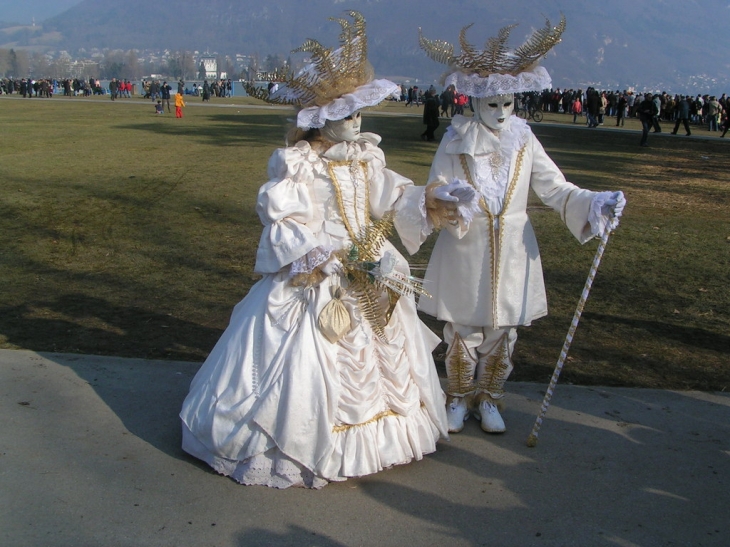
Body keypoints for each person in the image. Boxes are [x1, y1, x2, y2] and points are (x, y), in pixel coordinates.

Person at [181, 11, 464, 489]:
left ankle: (383, 436)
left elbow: (392, 199)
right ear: (320, 121)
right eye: (346, 115)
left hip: (369, 262)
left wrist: (433, 197)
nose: (356, 122)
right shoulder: (299, 166)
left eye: (359, 113)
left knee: (388, 349)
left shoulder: (365, 157)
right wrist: (320, 256)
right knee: (310, 355)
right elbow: (285, 219)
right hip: (322, 269)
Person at [419, 17, 626, 434]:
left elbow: (554, 187)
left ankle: (490, 397)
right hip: (465, 244)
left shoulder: (524, 139)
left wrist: (593, 202)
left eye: (508, 104)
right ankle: (458, 396)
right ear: (474, 102)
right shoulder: (455, 139)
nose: (500, 113)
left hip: (513, 248)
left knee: (502, 326)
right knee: (462, 325)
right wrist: (448, 197)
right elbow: (434, 187)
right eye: (492, 104)